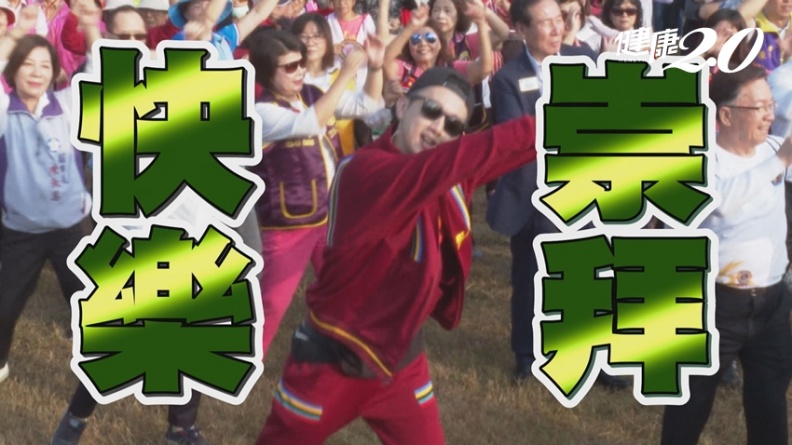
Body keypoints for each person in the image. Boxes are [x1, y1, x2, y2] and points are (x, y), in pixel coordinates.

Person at [255, 66, 538, 445]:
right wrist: (562, 117)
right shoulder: (366, 170)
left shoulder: (440, 170)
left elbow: (501, 154)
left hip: (401, 360)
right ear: (402, 106)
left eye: (453, 125)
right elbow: (476, 153)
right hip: (335, 359)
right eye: (431, 111)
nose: (439, 128)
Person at [486, 0, 629, 390]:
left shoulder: (584, 59)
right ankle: (527, 356)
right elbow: (517, 137)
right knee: (532, 278)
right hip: (535, 193)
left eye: (559, 20)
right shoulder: (508, 79)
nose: (556, 29)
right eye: (545, 23)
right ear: (521, 29)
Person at [660, 64, 792, 445]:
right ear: (726, 115)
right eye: (759, 107)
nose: (769, 115)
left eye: (771, 105)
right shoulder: (701, 159)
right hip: (715, 303)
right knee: (691, 403)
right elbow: (719, 202)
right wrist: (779, 162)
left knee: (770, 403)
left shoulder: (772, 148)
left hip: (771, 302)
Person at [249, 29, 385, 359]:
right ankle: (245, 360)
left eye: (301, 63)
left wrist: (375, 68)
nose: (299, 71)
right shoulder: (262, 111)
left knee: (345, 287)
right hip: (286, 225)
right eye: (289, 66)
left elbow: (367, 104)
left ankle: (353, 350)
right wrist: (346, 74)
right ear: (267, 71)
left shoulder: (311, 93)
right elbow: (310, 123)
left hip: (328, 217)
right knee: (272, 302)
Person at [0, 2, 89, 387]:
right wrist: (16, 34)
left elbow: (101, 73)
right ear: (12, 71)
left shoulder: (68, 106)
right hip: (21, 232)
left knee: (86, 297)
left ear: (56, 72)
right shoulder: (5, 110)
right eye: (27, 64)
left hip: (70, 228)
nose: (36, 72)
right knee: (5, 303)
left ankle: (99, 356)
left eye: (44, 65)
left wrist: (91, 26)